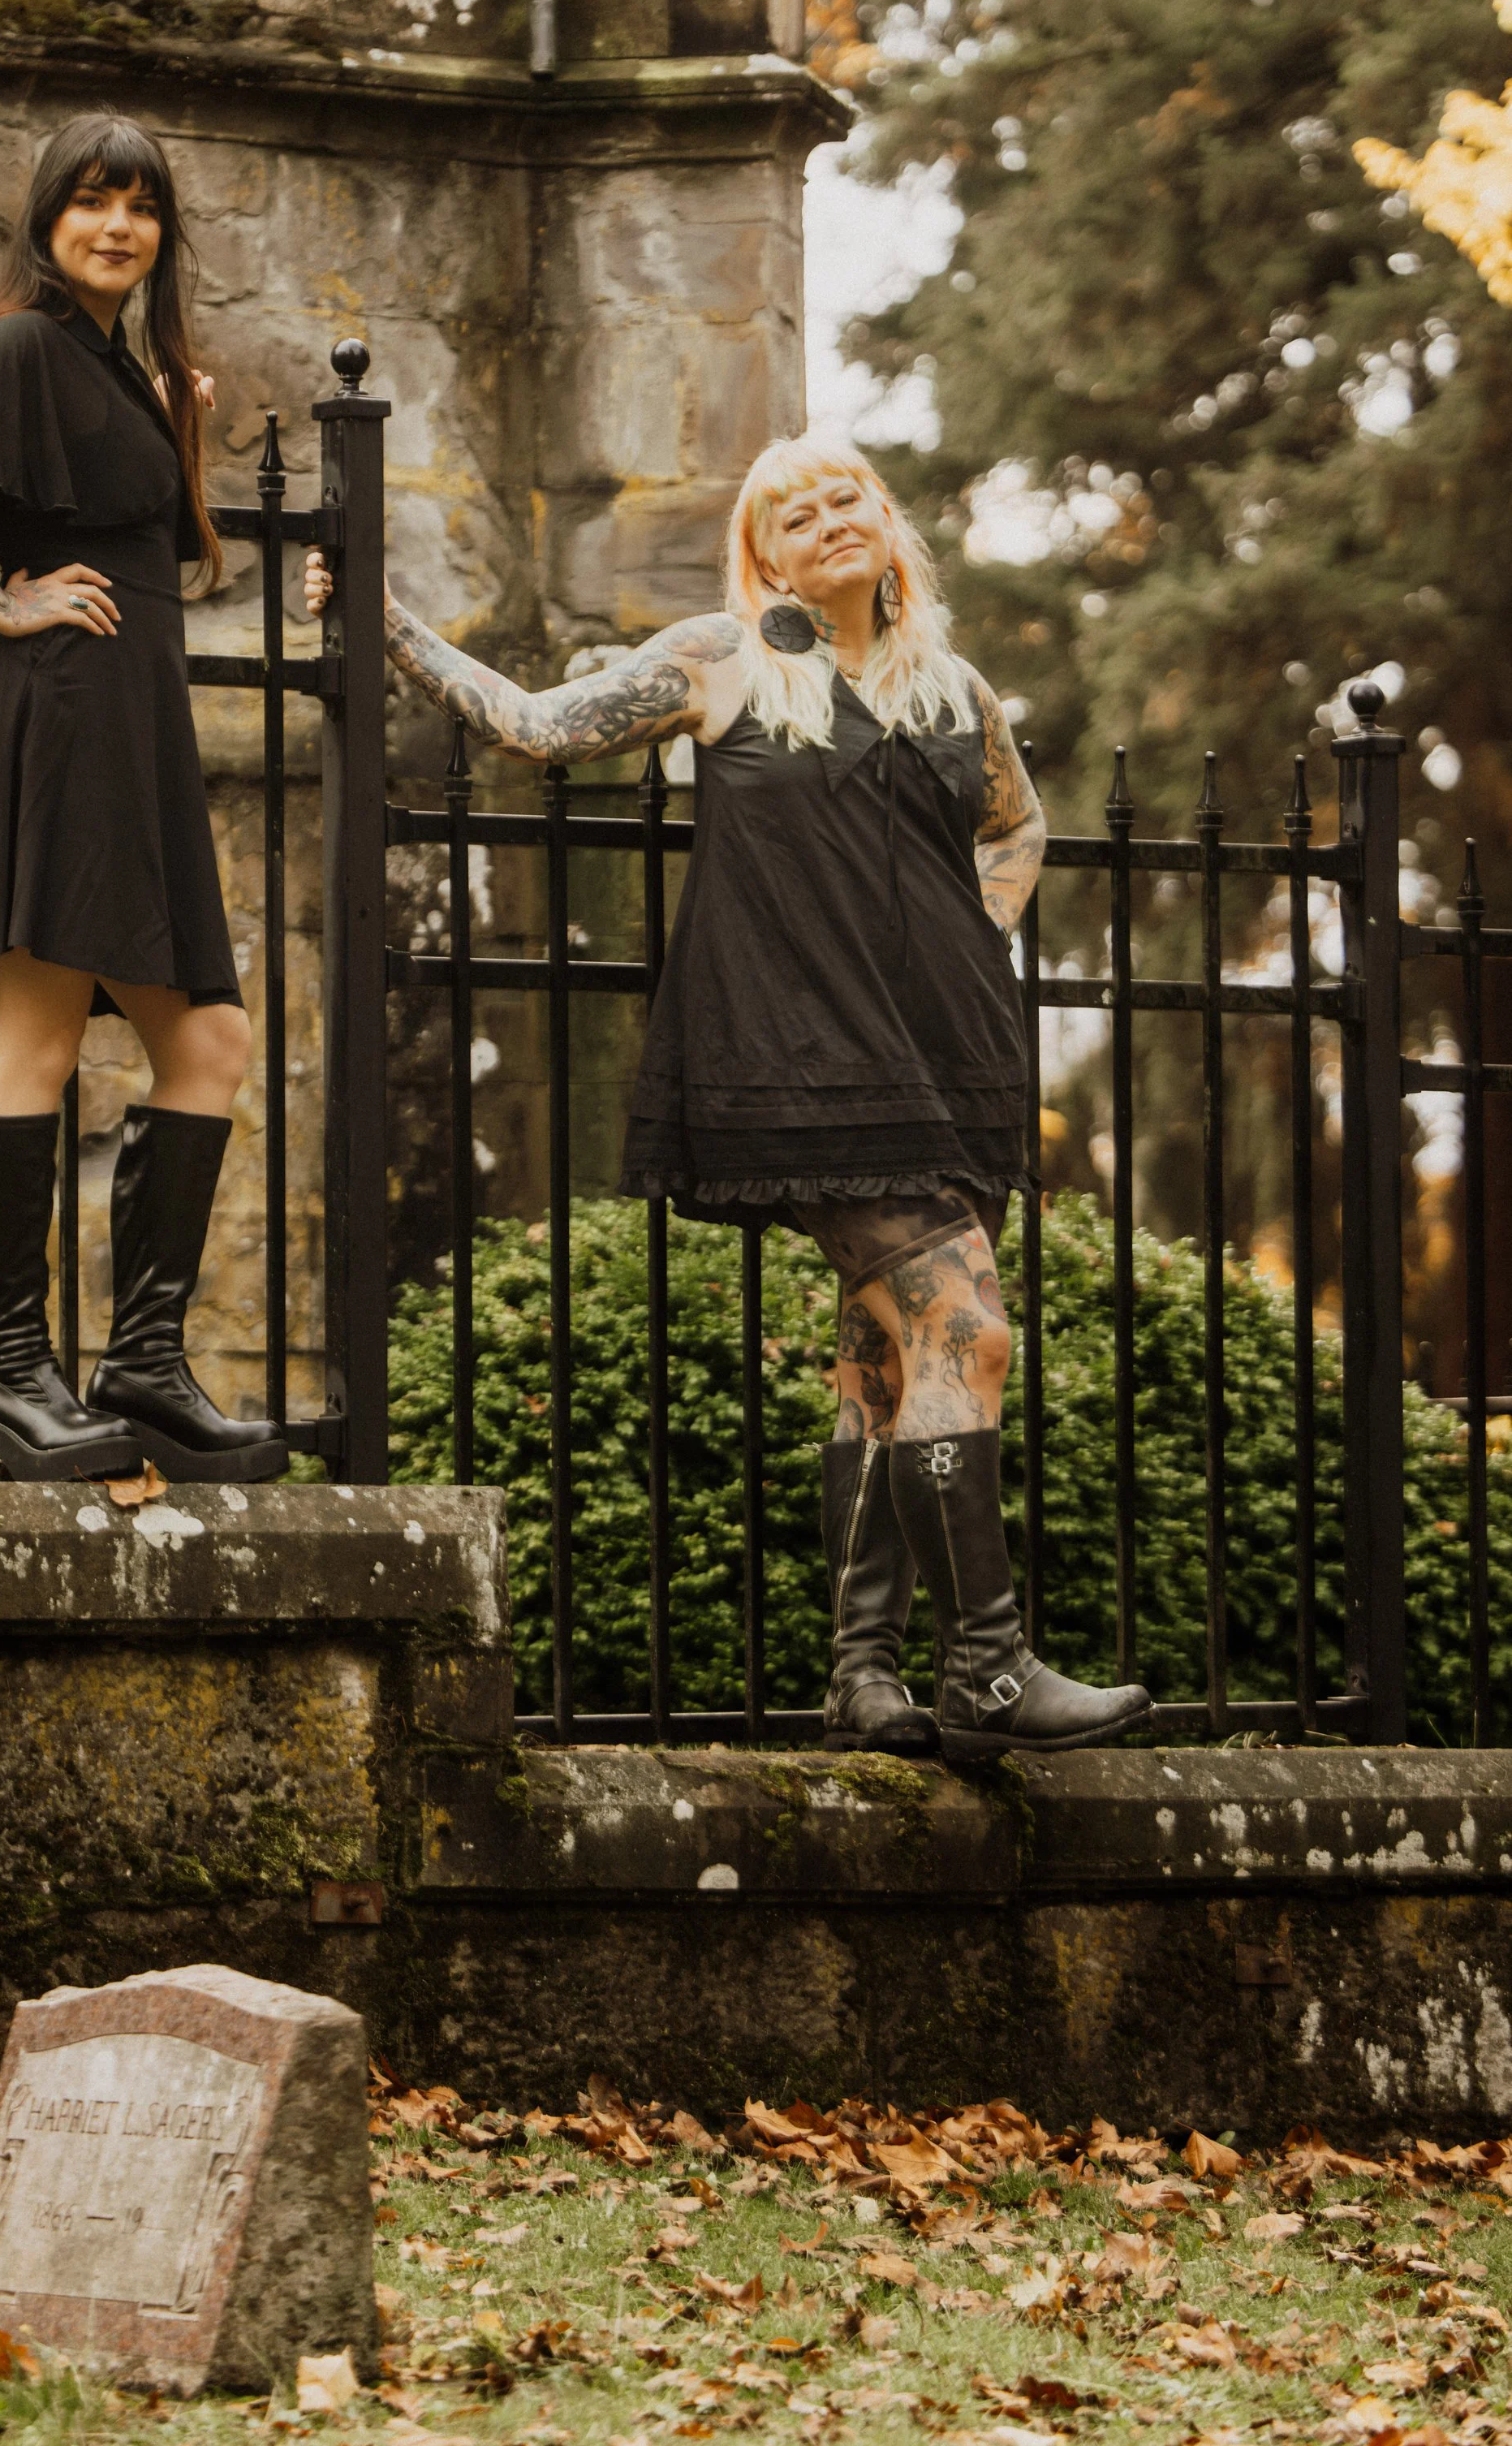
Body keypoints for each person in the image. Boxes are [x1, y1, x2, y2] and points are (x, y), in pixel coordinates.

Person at [305, 436, 1152, 1760]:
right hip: (801, 1055)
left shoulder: (952, 687)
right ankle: (989, 1669)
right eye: (795, 514)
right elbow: (536, 728)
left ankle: (864, 1681)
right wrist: (385, 621)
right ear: (766, 552)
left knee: (882, 1372)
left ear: (884, 521)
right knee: (968, 1333)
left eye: (845, 499)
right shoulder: (727, 660)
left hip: (949, 1057)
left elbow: (1016, 823)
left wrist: (971, 935)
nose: (827, 522)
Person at [0, 113, 285, 1490]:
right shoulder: (26, 344)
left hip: (126, 739)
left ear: (165, 231)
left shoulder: (128, 368)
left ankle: (142, 1370)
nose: (116, 228)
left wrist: (173, 418)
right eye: (90, 204)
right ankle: (14, 1375)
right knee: (35, 1034)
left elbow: (165, 547)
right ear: (45, 222)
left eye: (140, 207)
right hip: (49, 725)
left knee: (207, 1044)